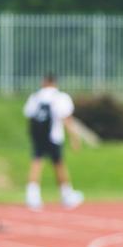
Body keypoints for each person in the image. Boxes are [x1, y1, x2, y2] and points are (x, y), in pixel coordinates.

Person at [23, 73, 83, 211]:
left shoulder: (35, 97)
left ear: (44, 82)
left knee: (36, 163)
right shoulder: (60, 97)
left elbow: (29, 114)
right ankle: (66, 194)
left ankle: (32, 196)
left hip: (38, 136)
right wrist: (74, 137)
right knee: (59, 164)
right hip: (54, 136)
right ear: (55, 83)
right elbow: (66, 118)